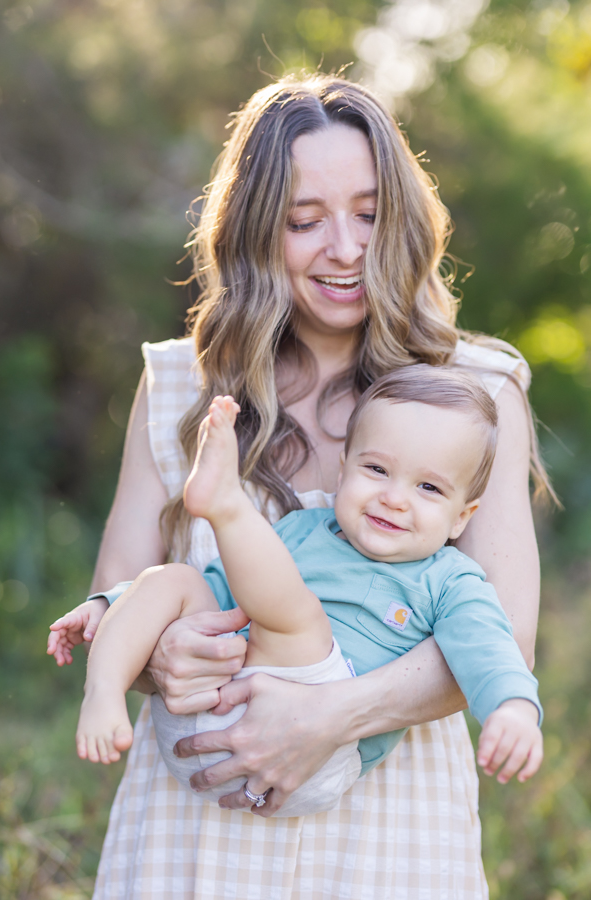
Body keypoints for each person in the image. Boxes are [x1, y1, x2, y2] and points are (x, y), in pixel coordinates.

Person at [74, 73, 548, 898]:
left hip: (394, 845)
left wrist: (329, 717)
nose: (345, 247)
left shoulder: (478, 388)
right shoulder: (180, 386)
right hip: (195, 842)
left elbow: (505, 639)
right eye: (304, 220)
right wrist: (158, 655)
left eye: (369, 212)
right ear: (257, 230)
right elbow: (115, 596)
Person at [48, 369, 543, 820]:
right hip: (209, 713)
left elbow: (490, 649)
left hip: (317, 752)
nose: (395, 497)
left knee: (299, 620)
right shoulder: (305, 530)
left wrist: (514, 707)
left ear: (462, 516)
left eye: (429, 488)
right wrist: (107, 606)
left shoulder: (451, 582)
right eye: (377, 470)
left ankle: (226, 506)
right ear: (344, 467)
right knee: (177, 578)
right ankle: (102, 694)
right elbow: (219, 591)